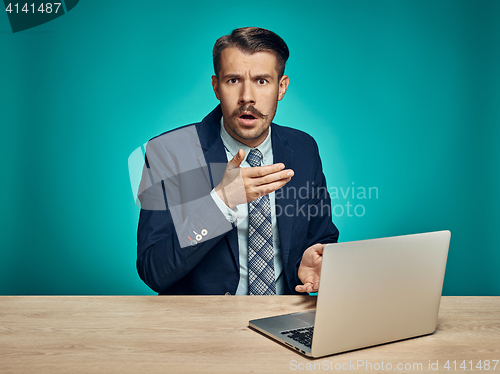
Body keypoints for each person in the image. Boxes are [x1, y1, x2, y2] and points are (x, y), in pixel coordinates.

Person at [136, 27, 339, 295]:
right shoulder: (170, 151)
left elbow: (321, 238)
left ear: (281, 87)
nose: (247, 97)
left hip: (282, 319)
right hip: (204, 328)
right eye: (233, 80)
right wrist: (220, 202)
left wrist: (311, 261)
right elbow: (154, 271)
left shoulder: (304, 148)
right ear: (216, 87)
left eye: (262, 81)